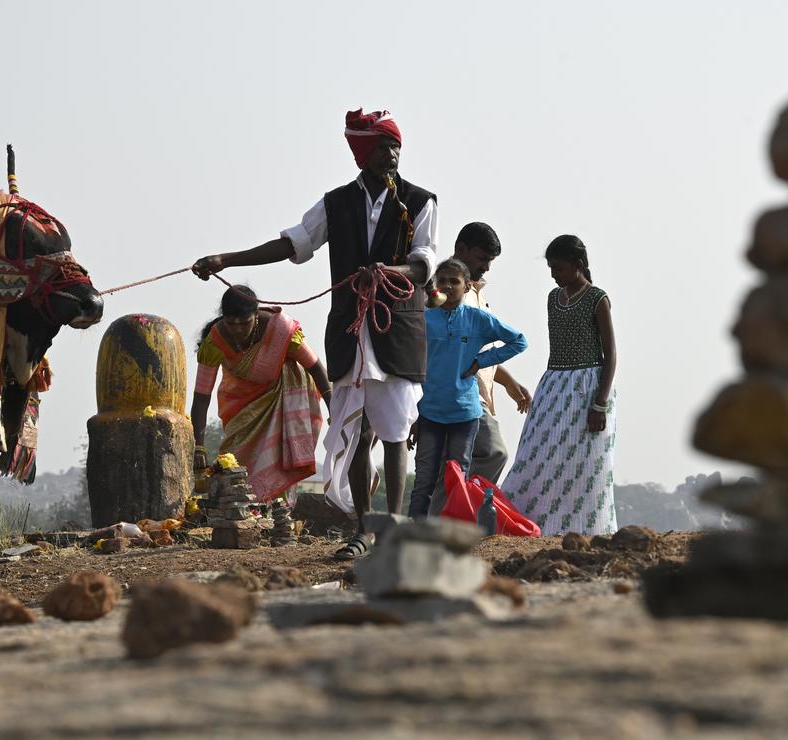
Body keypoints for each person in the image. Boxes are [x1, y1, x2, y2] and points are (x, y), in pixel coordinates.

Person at [192, 108, 437, 560]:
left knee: (395, 433)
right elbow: (293, 244)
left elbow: (424, 264)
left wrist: (388, 271)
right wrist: (227, 259)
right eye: (384, 146)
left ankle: (392, 527)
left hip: (395, 332)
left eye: (396, 146)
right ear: (363, 153)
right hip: (350, 330)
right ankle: (363, 530)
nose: (393, 154)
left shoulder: (420, 201)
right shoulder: (337, 203)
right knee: (357, 432)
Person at [501, 235, 618, 536]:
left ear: (578, 266)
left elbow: (611, 354)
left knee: (583, 464)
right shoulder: (553, 298)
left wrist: (600, 403)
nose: (555, 275)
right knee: (535, 455)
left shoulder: (597, 299)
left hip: (588, 389)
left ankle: (582, 532)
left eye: (560, 268)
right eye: (551, 269)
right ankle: (529, 525)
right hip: (554, 385)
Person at [408, 258, 527, 518]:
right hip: (429, 412)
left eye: (455, 281)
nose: (448, 286)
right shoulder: (424, 319)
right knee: (424, 479)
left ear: (467, 286)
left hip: (465, 412)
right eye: (443, 281)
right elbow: (411, 367)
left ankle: (452, 533)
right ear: (436, 285)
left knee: (457, 476)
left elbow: (519, 341)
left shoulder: (478, 319)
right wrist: (411, 416)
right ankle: (413, 536)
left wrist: (481, 361)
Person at [189, 285, 331, 504]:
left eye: (244, 323)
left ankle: (277, 519)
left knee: (278, 460)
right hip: (239, 407)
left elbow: (315, 367)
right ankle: (243, 516)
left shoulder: (281, 331)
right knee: (233, 461)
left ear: (256, 315)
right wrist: (198, 445)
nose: (237, 330)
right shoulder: (214, 342)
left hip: (282, 400)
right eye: (231, 323)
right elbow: (201, 397)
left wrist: (336, 411)